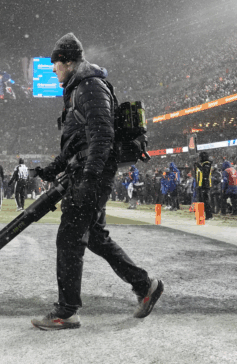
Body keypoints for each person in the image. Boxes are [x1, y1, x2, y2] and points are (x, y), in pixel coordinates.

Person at [30, 32, 162, 330]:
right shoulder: (79, 88)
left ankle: (66, 311)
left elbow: (102, 136)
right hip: (87, 173)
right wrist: (51, 170)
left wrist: (90, 177)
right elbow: (77, 144)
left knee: (69, 239)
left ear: (66, 61)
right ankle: (145, 285)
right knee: (94, 237)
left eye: (56, 64)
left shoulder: (90, 86)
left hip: (92, 176)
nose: (53, 70)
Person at [195, 152, 214, 220]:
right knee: (201, 200)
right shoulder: (203, 164)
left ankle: (209, 216)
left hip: (205, 184)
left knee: (206, 201)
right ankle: (200, 215)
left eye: (200, 157)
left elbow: (205, 173)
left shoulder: (207, 164)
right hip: (201, 184)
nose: (199, 158)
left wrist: (199, 166)